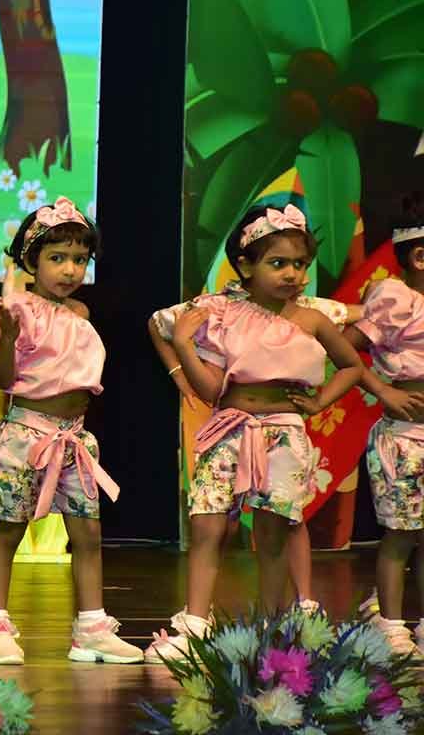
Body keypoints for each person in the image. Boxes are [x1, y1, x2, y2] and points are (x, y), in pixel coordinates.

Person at [145, 204, 362, 662]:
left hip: (284, 433)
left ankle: (271, 626)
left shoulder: (311, 318)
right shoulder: (220, 311)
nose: (291, 274)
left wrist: (320, 401)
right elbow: (204, 381)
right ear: (245, 266)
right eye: (278, 263)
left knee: (273, 532)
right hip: (230, 429)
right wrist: (181, 356)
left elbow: (351, 365)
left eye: (299, 264)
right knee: (207, 525)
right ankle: (194, 624)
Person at [0, 197, 140, 664]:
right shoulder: (17, 309)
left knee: (87, 534)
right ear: (31, 261)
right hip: (25, 437)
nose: (70, 270)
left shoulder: (81, 313)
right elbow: (3, 379)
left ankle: (91, 627)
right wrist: (8, 339)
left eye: (79, 259)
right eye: (57, 258)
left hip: (74, 438)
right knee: (8, 530)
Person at [343, 193, 424, 657]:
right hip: (404, 437)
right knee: (401, 535)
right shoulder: (398, 298)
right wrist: (382, 389)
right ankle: (391, 625)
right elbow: (346, 345)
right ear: (419, 257)